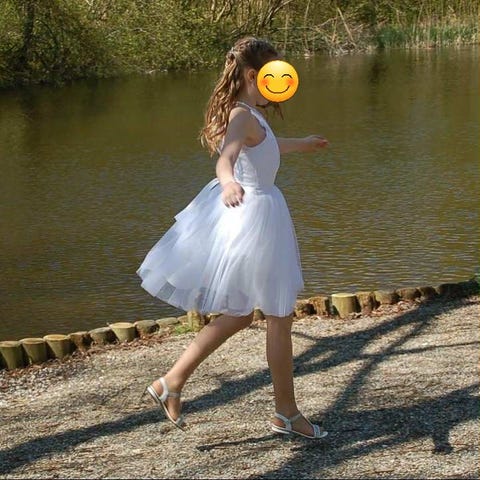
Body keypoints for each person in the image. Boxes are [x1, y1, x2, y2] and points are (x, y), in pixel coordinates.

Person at [137, 36, 329, 439]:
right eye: (274, 74)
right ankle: (287, 414)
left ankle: (171, 382)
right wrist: (227, 183)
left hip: (263, 213)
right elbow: (226, 157)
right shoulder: (241, 116)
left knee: (242, 314)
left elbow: (268, 147)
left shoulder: (253, 116)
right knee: (279, 316)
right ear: (253, 75)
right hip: (255, 217)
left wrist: (304, 144)